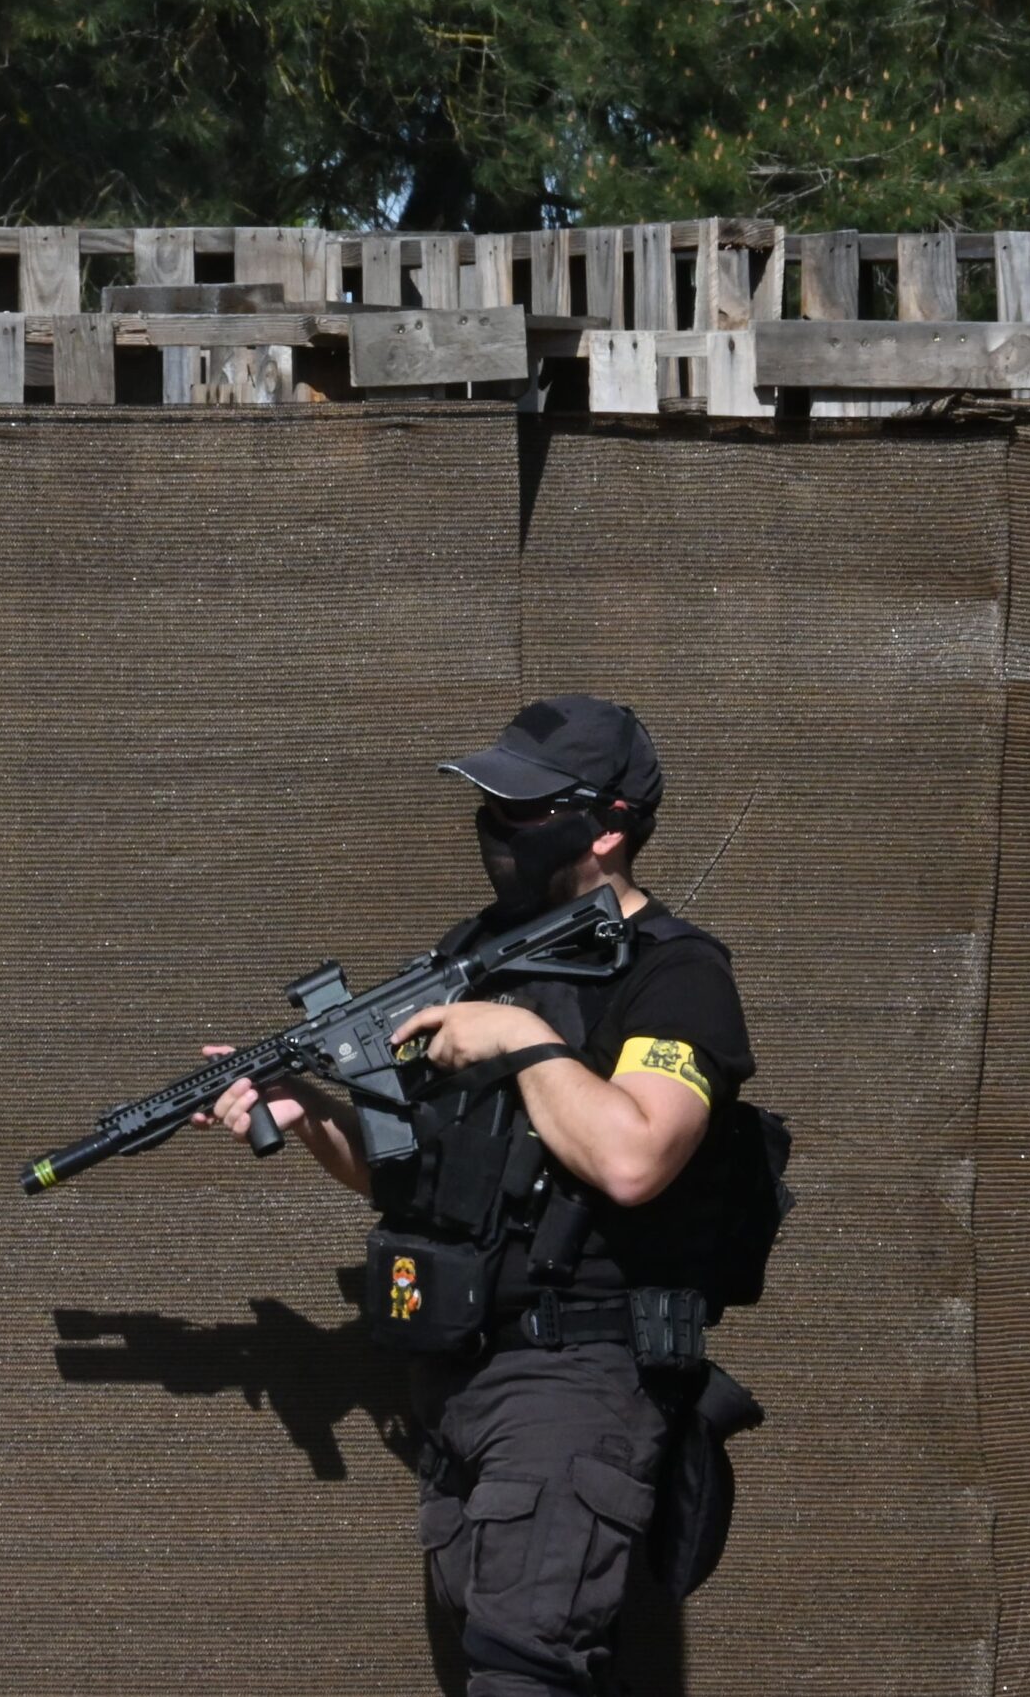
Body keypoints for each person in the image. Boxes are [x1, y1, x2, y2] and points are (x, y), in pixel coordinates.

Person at [191, 695, 757, 1696]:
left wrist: (522, 1039)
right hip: (459, 1379)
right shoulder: (477, 953)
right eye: (490, 804)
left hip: (577, 1378)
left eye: (522, 810)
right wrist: (306, 1112)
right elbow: (411, 1175)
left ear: (606, 828)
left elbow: (635, 1157)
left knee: (524, 1669)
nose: (495, 827)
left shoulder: (674, 976)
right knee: (495, 1660)